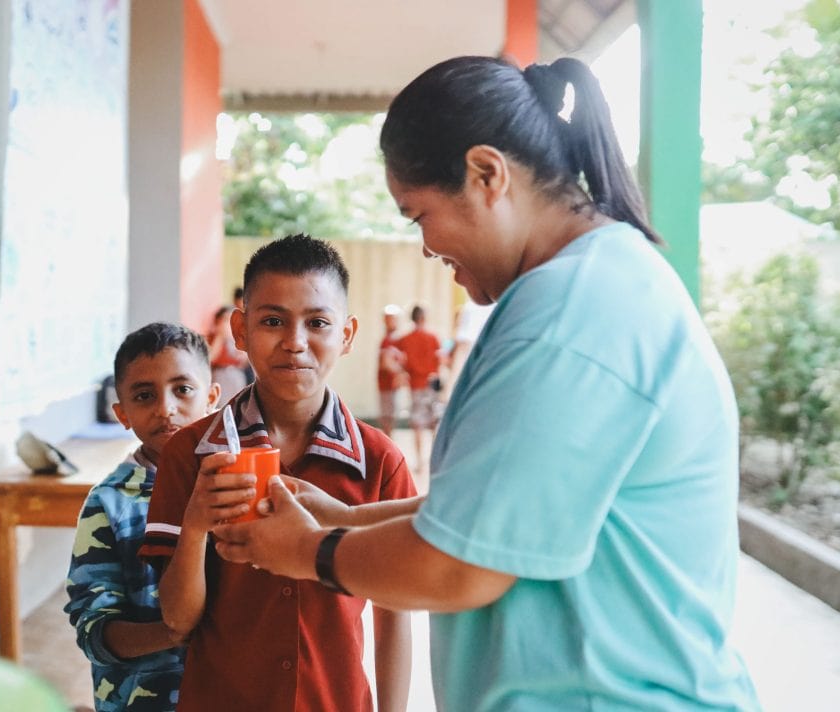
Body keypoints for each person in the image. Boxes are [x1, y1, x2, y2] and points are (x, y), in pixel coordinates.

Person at [212, 56, 762, 711]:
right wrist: (348, 518)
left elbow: (459, 563)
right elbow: (490, 506)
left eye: (419, 216)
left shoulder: (570, 313)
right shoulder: (587, 289)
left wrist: (309, 550)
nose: (425, 248)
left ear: (486, 174)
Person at [139, 234, 416, 711]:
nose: (295, 343)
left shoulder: (380, 462)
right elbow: (178, 620)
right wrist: (196, 526)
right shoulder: (192, 453)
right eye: (272, 321)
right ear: (240, 331)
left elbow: (394, 616)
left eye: (317, 323)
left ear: (346, 336)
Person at [65, 322, 221, 712]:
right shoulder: (109, 503)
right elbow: (94, 631)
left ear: (212, 397)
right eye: (144, 395)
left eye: (183, 389)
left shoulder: (235, 489)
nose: (166, 408)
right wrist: (175, 631)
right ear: (122, 413)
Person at [397, 304, 443, 474]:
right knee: (434, 422)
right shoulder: (433, 338)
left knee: (418, 423)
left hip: (415, 384)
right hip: (432, 384)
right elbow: (440, 360)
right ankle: (434, 461)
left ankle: (419, 462)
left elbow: (400, 361)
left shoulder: (405, 339)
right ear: (424, 318)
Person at [206, 304, 248, 407]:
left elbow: (244, 361)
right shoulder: (212, 338)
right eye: (225, 320)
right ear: (218, 321)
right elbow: (210, 358)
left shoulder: (238, 338)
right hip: (220, 375)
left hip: (236, 376)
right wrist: (220, 336)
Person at [377, 303, 406, 437]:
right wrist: (401, 372)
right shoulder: (387, 341)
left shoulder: (396, 339)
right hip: (386, 383)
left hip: (392, 384)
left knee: (391, 413)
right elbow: (385, 363)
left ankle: (390, 439)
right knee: (388, 414)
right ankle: (388, 439)